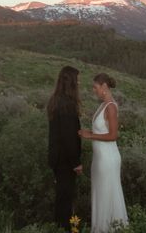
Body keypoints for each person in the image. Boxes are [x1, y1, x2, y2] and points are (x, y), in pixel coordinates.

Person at [79, 73, 128, 233]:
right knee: (100, 195)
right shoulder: (102, 105)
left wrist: (90, 135)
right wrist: (88, 131)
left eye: (95, 87)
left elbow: (114, 135)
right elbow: (101, 130)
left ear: (104, 87)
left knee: (107, 195)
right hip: (99, 159)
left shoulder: (111, 107)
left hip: (108, 159)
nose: (94, 90)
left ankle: (110, 229)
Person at [47, 65, 83, 230]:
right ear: (72, 83)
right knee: (67, 199)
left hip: (56, 158)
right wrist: (76, 163)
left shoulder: (55, 100)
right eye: (78, 80)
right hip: (65, 160)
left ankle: (59, 227)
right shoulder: (67, 105)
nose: (80, 84)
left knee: (61, 198)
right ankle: (69, 229)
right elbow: (68, 139)